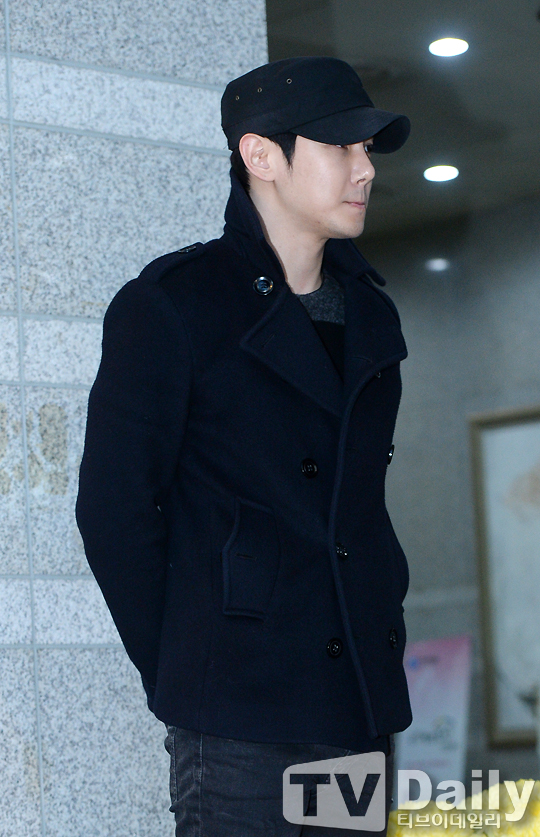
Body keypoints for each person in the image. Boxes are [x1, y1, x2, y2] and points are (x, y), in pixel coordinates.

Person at [75, 56, 413, 836]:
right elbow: (114, 513)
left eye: (367, 148)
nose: (365, 168)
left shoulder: (371, 315)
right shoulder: (174, 305)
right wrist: (192, 666)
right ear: (261, 155)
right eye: (340, 146)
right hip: (236, 720)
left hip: (353, 707)